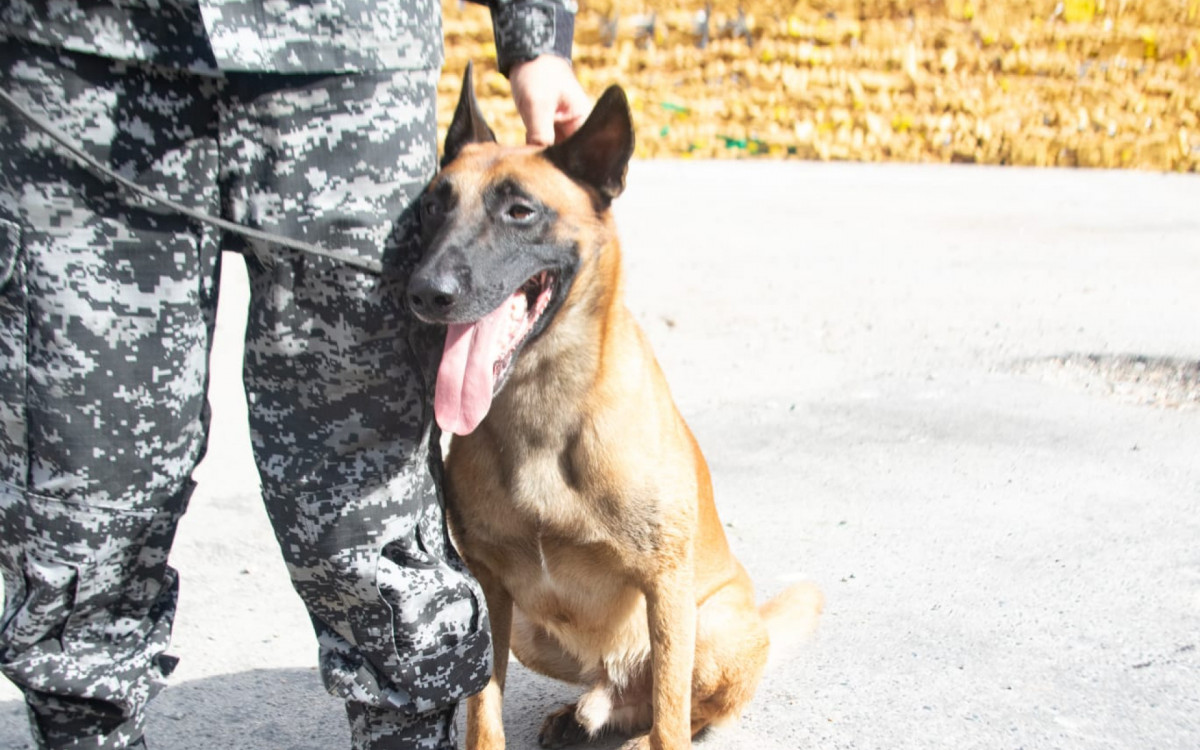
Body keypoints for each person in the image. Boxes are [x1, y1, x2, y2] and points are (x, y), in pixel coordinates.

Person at [0, 1, 591, 748]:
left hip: (341, 64)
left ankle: (407, 734)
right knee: (81, 465)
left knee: (365, 474)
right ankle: (82, 729)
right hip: (77, 58)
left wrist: (534, 36)